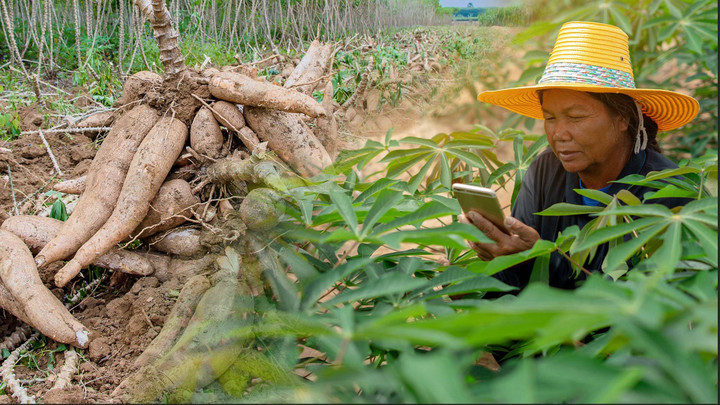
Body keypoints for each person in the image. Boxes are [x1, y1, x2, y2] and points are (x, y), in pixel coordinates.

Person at [462, 21, 699, 290]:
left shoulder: (669, 193)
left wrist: (534, 262)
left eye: (576, 117)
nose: (559, 134)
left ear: (623, 118)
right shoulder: (545, 170)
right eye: (549, 118)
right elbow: (513, 283)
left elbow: (639, 306)